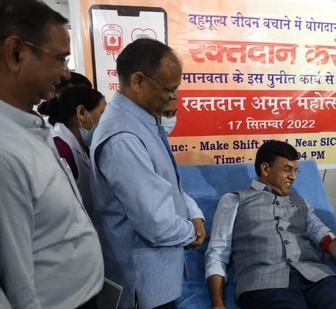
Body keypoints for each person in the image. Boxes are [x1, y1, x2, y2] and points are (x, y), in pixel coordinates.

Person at [0, 0, 104, 308]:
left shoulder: (31, 130)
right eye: (60, 59)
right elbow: (16, 280)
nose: (63, 74)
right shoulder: (6, 152)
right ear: (16, 52)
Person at [89, 38, 206, 309]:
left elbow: (166, 182)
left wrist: (193, 213)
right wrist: (192, 232)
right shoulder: (123, 137)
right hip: (141, 285)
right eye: (169, 89)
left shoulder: (143, 121)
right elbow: (155, 224)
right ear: (139, 81)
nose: (174, 98)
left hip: (157, 278)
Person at [205, 140, 336, 309]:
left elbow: (328, 240)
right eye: (286, 170)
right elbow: (218, 251)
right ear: (265, 169)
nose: (293, 177)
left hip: (317, 278)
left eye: (295, 171)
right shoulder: (234, 200)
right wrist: (218, 303)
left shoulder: (299, 203)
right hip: (264, 283)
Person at [37, 86, 106, 214]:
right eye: (102, 113)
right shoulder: (61, 149)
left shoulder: (83, 145)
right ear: (82, 113)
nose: (106, 120)